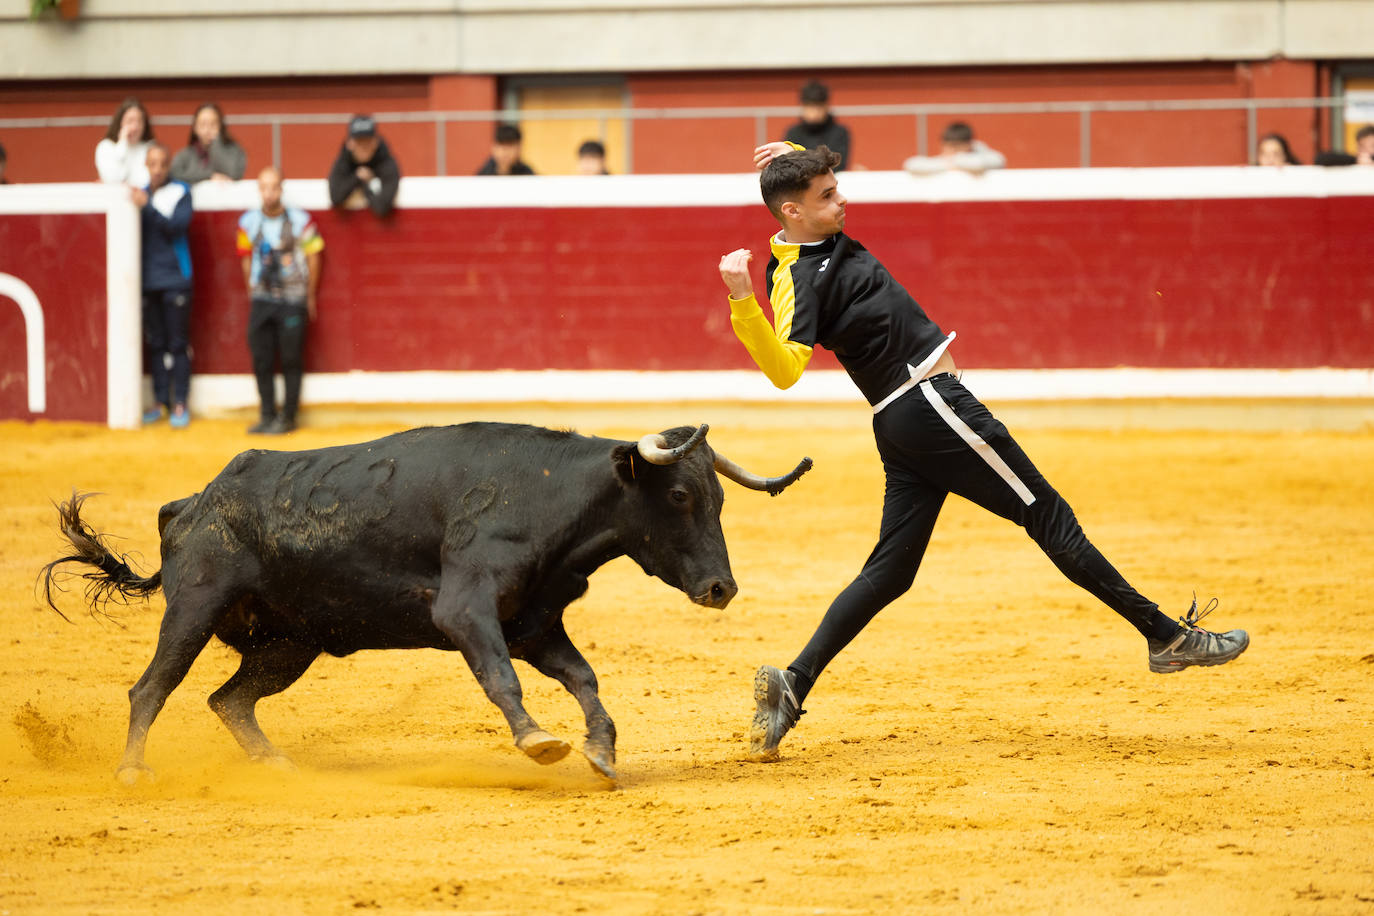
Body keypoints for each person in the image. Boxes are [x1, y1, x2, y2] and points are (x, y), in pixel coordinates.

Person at [718, 142, 1249, 760]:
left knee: (890, 571)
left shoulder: (799, 244)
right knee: (1047, 514)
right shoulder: (797, 278)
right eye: (827, 197)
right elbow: (785, 370)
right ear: (791, 211)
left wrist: (800, 152)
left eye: (836, 189)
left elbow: (796, 208)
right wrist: (740, 298)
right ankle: (1165, 636)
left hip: (906, 419)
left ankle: (792, 684)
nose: (843, 201)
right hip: (929, 404)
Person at [236, 166, 324, 434]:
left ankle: (288, 417)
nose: (269, 193)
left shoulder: (301, 220)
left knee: (290, 358)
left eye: (274, 187)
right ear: (259, 190)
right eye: (264, 187)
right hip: (262, 298)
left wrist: (309, 295)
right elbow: (245, 256)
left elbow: (314, 256)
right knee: (261, 358)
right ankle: (266, 414)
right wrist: (251, 289)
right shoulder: (247, 222)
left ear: (281, 189)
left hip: (292, 298)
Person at [136, 143, 194, 429]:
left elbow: (177, 227)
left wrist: (147, 208)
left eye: (162, 163)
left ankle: (180, 402)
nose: (157, 169)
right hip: (148, 282)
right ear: (146, 166)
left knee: (177, 343)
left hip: (175, 280)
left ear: (168, 165)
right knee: (156, 344)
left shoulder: (181, 192)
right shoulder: (139, 194)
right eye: (152, 164)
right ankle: (161, 401)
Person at [327, 114, 401, 217]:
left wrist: (368, 183)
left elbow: (382, 207)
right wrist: (357, 177)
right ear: (350, 143)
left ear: (375, 142)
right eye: (359, 142)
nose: (363, 147)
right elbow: (335, 198)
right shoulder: (343, 161)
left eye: (367, 141)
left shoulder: (387, 163)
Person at [170, 102, 247, 184]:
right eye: (203, 124)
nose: (208, 129)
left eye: (213, 124)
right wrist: (209, 176)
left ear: (221, 126)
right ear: (195, 128)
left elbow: (234, 174)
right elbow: (174, 174)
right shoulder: (185, 155)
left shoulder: (235, 151)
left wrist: (216, 144)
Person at [783, 80, 851, 172]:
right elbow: (787, 163)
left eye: (818, 107)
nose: (814, 113)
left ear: (826, 106)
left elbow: (838, 164)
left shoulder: (840, 132)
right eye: (810, 107)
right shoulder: (793, 133)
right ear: (802, 106)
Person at [903, 121, 1006, 176]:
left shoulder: (986, 157)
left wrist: (957, 162)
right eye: (949, 146)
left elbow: (995, 162)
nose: (952, 151)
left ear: (969, 145)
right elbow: (911, 164)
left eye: (957, 146)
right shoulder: (943, 161)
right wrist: (948, 165)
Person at [95, 97, 154, 186]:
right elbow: (114, 179)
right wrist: (122, 144)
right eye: (130, 121)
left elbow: (149, 180)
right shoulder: (106, 147)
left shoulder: (150, 148)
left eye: (139, 121)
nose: (135, 127)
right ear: (120, 123)